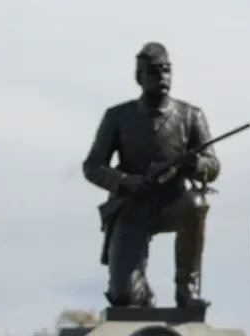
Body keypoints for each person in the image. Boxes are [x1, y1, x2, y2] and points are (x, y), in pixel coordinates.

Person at [82, 42, 220, 308]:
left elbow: (213, 166)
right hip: (131, 207)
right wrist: (125, 182)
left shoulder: (191, 116)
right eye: (155, 72)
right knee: (124, 299)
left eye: (167, 71)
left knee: (197, 204)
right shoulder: (117, 116)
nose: (163, 78)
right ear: (140, 76)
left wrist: (194, 165)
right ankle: (142, 297)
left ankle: (186, 290)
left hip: (173, 202)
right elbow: (92, 165)